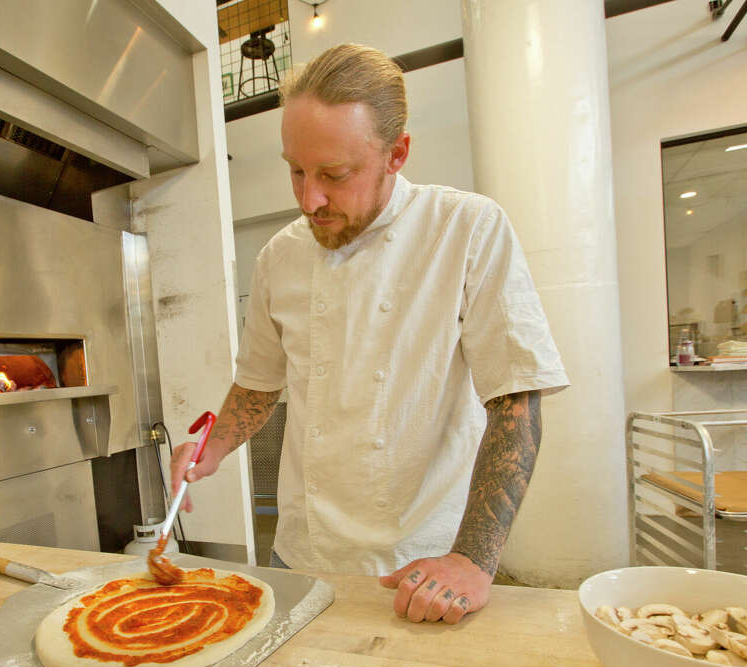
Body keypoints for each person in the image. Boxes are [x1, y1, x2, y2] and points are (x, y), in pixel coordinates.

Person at [170, 43, 568, 624]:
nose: (310, 199)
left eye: (335, 175)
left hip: (420, 565)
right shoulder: (279, 256)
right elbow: (258, 384)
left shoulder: (465, 229)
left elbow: (516, 401)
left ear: (396, 153)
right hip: (301, 553)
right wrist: (214, 445)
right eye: (296, 170)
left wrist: (473, 559)